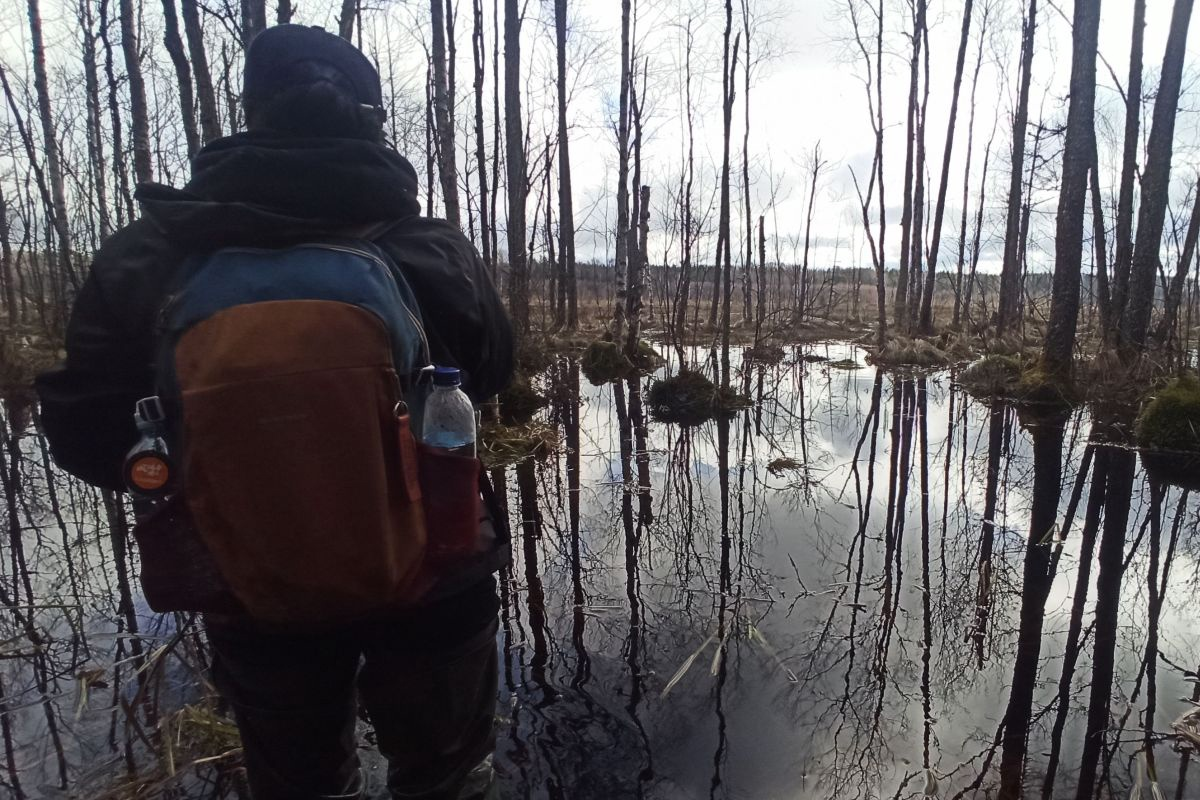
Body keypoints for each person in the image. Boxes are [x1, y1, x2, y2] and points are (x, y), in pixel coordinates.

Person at [36, 25, 513, 800]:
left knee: (299, 785)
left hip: (251, 590)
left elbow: (86, 436)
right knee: (447, 777)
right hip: (435, 575)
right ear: (370, 118)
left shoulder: (148, 256)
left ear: (251, 112)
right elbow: (489, 375)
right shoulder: (425, 247)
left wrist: (233, 461)